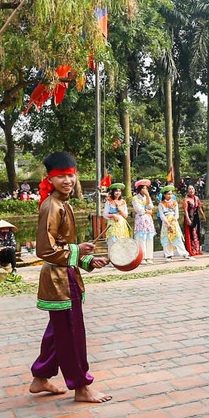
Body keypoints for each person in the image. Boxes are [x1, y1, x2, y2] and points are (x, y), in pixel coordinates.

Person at [29, 151, 111, 404]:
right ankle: (81, 387)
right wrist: (78, 251)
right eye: (61, 176)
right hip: (58, 280)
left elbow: (64, 246)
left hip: (65, 274)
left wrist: (86, 259)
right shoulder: (51, 206)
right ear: (49, 179)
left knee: (58, 332)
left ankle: (41, 376)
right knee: (72, 334)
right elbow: (44, 250)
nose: (68, 180)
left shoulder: (63, 203)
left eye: (71, 175)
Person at [158, 186, 187, 259]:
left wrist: (174, 221)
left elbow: (176, 214)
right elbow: (162, 215)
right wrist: (168, 224)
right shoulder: (161, 204)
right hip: (166, 222)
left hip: (173, 221)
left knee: (177, 236)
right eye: (168, 194)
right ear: (164, 195)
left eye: (171, 194)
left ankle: (184, 253)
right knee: (166, 238)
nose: (170, 196)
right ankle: (168, 255)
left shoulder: (175, 203)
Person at [131, 180, 156, 264]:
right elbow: (139, 210)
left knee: (149, 237)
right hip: (140, 220)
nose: (145, 190)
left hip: (148, 220)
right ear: (139, 189)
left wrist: (148, 196)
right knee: (141, 237)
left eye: (146, 188)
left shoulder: (147, 197)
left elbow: (151, 206)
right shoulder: (135, 198)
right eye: (143, 188)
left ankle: (149, 256)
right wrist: (146, 211)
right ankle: (142, 257)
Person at [182, 184, 205, 257]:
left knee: (197, 233)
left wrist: (203, 215)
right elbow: (185, 210)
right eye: (189, 189)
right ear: (187, 191)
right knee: (191, 234)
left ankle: (197, 249)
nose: (191, 190)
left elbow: (199, 208)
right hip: (189, 217)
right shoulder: (186, 199)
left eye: (192, 189)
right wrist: (188, 219)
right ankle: (191, 249)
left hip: (196, 217)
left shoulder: (197, 198)